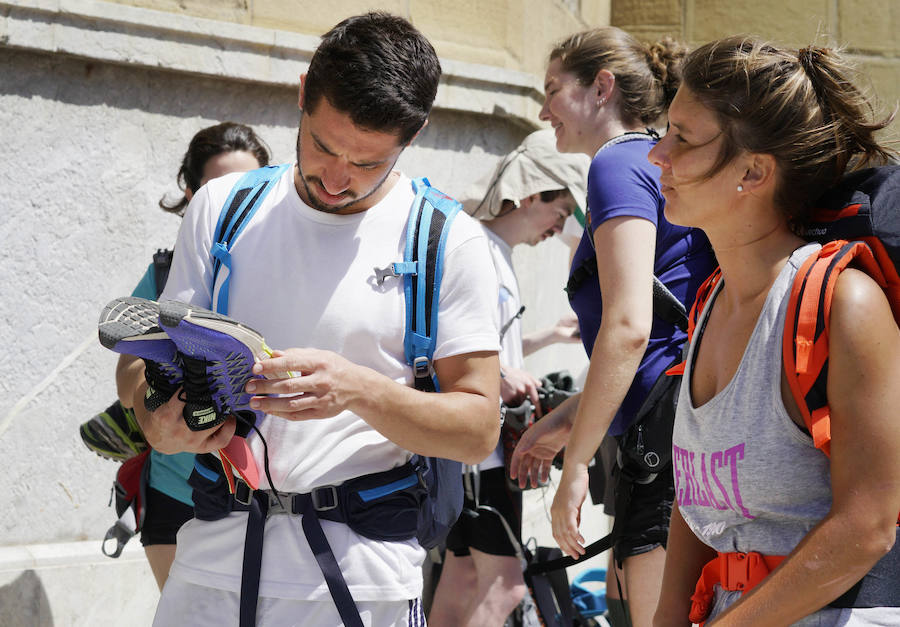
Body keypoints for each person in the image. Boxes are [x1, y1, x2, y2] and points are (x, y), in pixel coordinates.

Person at [118, 13, 501, 625]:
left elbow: (479, 427)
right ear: (301, 93)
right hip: (210, 559)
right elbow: (145, 359)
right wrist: (155, 420)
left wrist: (358, 389)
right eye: (323, 145)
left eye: (369, 162)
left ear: (415, 133)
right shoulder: (223, 207)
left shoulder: (447, 241)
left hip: (362, 578)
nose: (337, 177)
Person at [648, 36, 900, 625]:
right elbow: (697, 501)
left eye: (683, 137)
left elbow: (867, 527)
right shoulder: (711, 299)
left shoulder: (843, 303)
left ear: (754, 171)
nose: (658, 154)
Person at [509, 27, 717, 627]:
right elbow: (655, 336)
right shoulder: (651, 159)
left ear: (602, 87)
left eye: (553, 90)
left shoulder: (616, 163)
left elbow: (630, 327)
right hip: (677, 429)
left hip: (661, 444)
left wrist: (575, 464)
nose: (544, 110)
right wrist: (569, 418)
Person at [85, 121, 270, 588]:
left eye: (249, 188)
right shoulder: (166, 272)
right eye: (217, 190)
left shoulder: (287, 271)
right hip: (177, 492)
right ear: (191, 196)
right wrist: (158, 395)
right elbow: (128, 381)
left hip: (270, 500)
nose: (233, 204)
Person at [428, 128, 587, 626]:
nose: (557, 228)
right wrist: (500, 375)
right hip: (488, 451)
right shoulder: (480, 249)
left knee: (462, 574)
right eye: (559, 213)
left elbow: (489, 346)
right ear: (533, 195)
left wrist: (543, 338)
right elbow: (440, 342)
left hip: (466, 448)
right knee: (506, 582)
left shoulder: (487, 247)